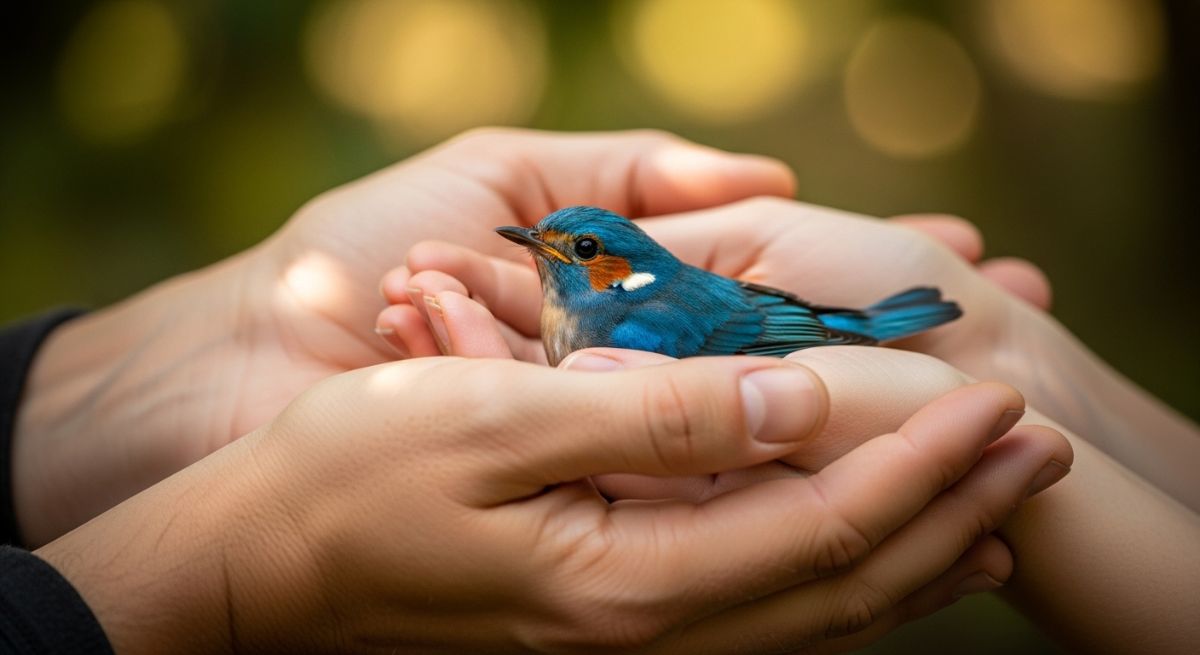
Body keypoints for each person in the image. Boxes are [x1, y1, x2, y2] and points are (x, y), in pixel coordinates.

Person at [0, 129, 1179, 653]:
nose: (542, 255)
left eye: (566, 252)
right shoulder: (596, 302)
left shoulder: (657, 315)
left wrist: (937, 351)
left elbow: (777, 332)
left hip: (792, 338)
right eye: (545, 246)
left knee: (852, 331)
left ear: (609, 266)